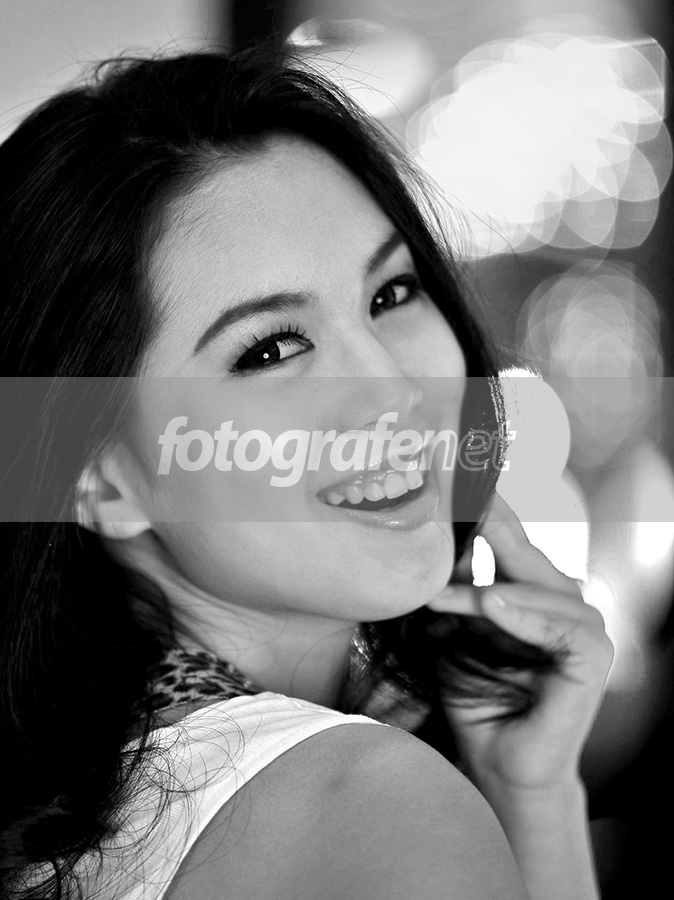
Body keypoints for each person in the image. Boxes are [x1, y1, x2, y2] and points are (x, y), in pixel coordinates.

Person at [0, 46, 613, 900]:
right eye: (271, 349)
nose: (395, 391)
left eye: (391, 294)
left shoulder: (68, 801)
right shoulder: (374, 804)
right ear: (98, 478)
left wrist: (529, 793)